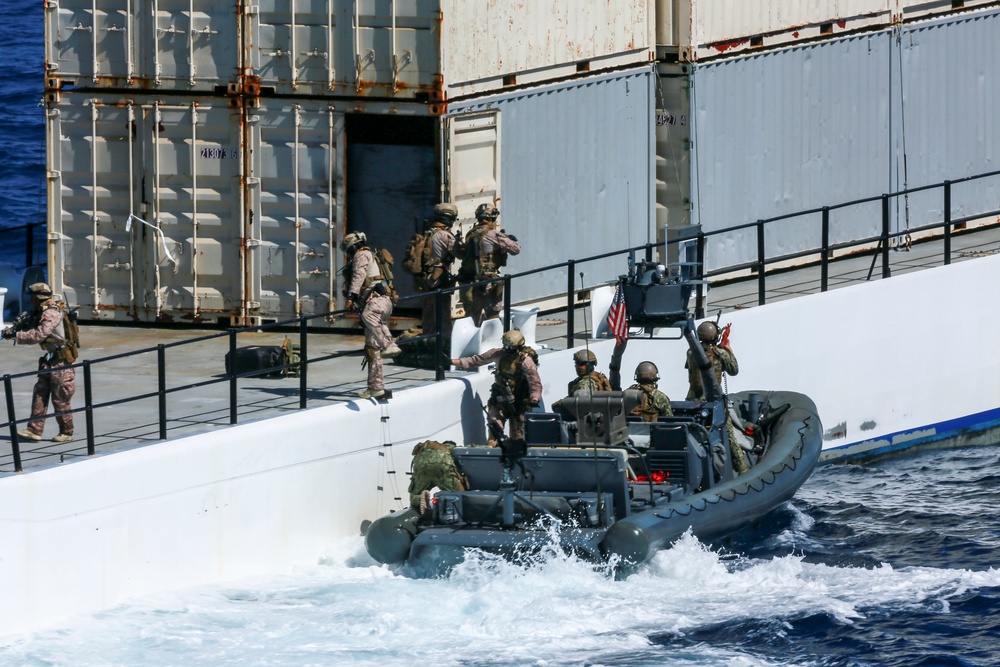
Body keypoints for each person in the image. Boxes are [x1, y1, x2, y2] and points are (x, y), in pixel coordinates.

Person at [1, 283, 78, 443]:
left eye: (32, 297)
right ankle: (34, 430)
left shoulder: (51, 313)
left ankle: (67, 432)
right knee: (40, 394)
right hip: (51, 359)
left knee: (60, 398)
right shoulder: (43, 311)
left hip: (61, 361)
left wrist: (17, 335)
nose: (30, 300)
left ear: (38, 298)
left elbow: (39, 335)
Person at [450, 329, 541, 447]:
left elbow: (534, 381)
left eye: (512, 348)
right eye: (506, 347)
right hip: (500, 398)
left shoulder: (526, 361)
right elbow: (476, 360)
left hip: (519, 402)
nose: (508, 351)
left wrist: (534, 397)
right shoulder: (498, 354)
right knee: (494, 428)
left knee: (517, 435)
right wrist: (452, 362)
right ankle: (492, 451)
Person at [341, 232, 402, 399]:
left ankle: (389, 344)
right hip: (383, 301)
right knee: (371, 347)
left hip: (376, 301)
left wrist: (350, 297)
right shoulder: (372, 255)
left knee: (369, 316)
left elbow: (358, 277)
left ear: (352, 247)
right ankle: (376, 387)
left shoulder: (362, 255)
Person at [685, 321, 749, 473]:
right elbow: (734, 370)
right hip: (713, 399)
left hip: (693, 399)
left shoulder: (690, 352)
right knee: (728, 432)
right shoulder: (720, 353)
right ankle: (742, 468)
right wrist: (727, 350)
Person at [457, 203, 520, 326]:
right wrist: (507, 239)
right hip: (488, 281)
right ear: (492, 217)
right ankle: (491, 341)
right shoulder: (493, 234)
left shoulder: (471, 233)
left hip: (472, 280)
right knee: (493, 314)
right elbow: (515, 249)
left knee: (472, 316)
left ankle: (472, 342)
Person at [418, 202, 462, 339]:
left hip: (427, 278)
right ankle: (443, 346)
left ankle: (428, 342)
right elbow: (460, 254)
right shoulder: (444, 235)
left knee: (429, 314)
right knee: (442, 315)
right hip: (439, 279)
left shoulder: (428, 232)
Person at [408, 439, 466, 513]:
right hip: (442, 466)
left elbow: (414, 453)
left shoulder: (426, 445)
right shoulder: (452, 447)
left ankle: (419, 503)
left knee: (415, 494)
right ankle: (452, 512)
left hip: (422, 466)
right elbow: (470, 447)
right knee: (457, 494)